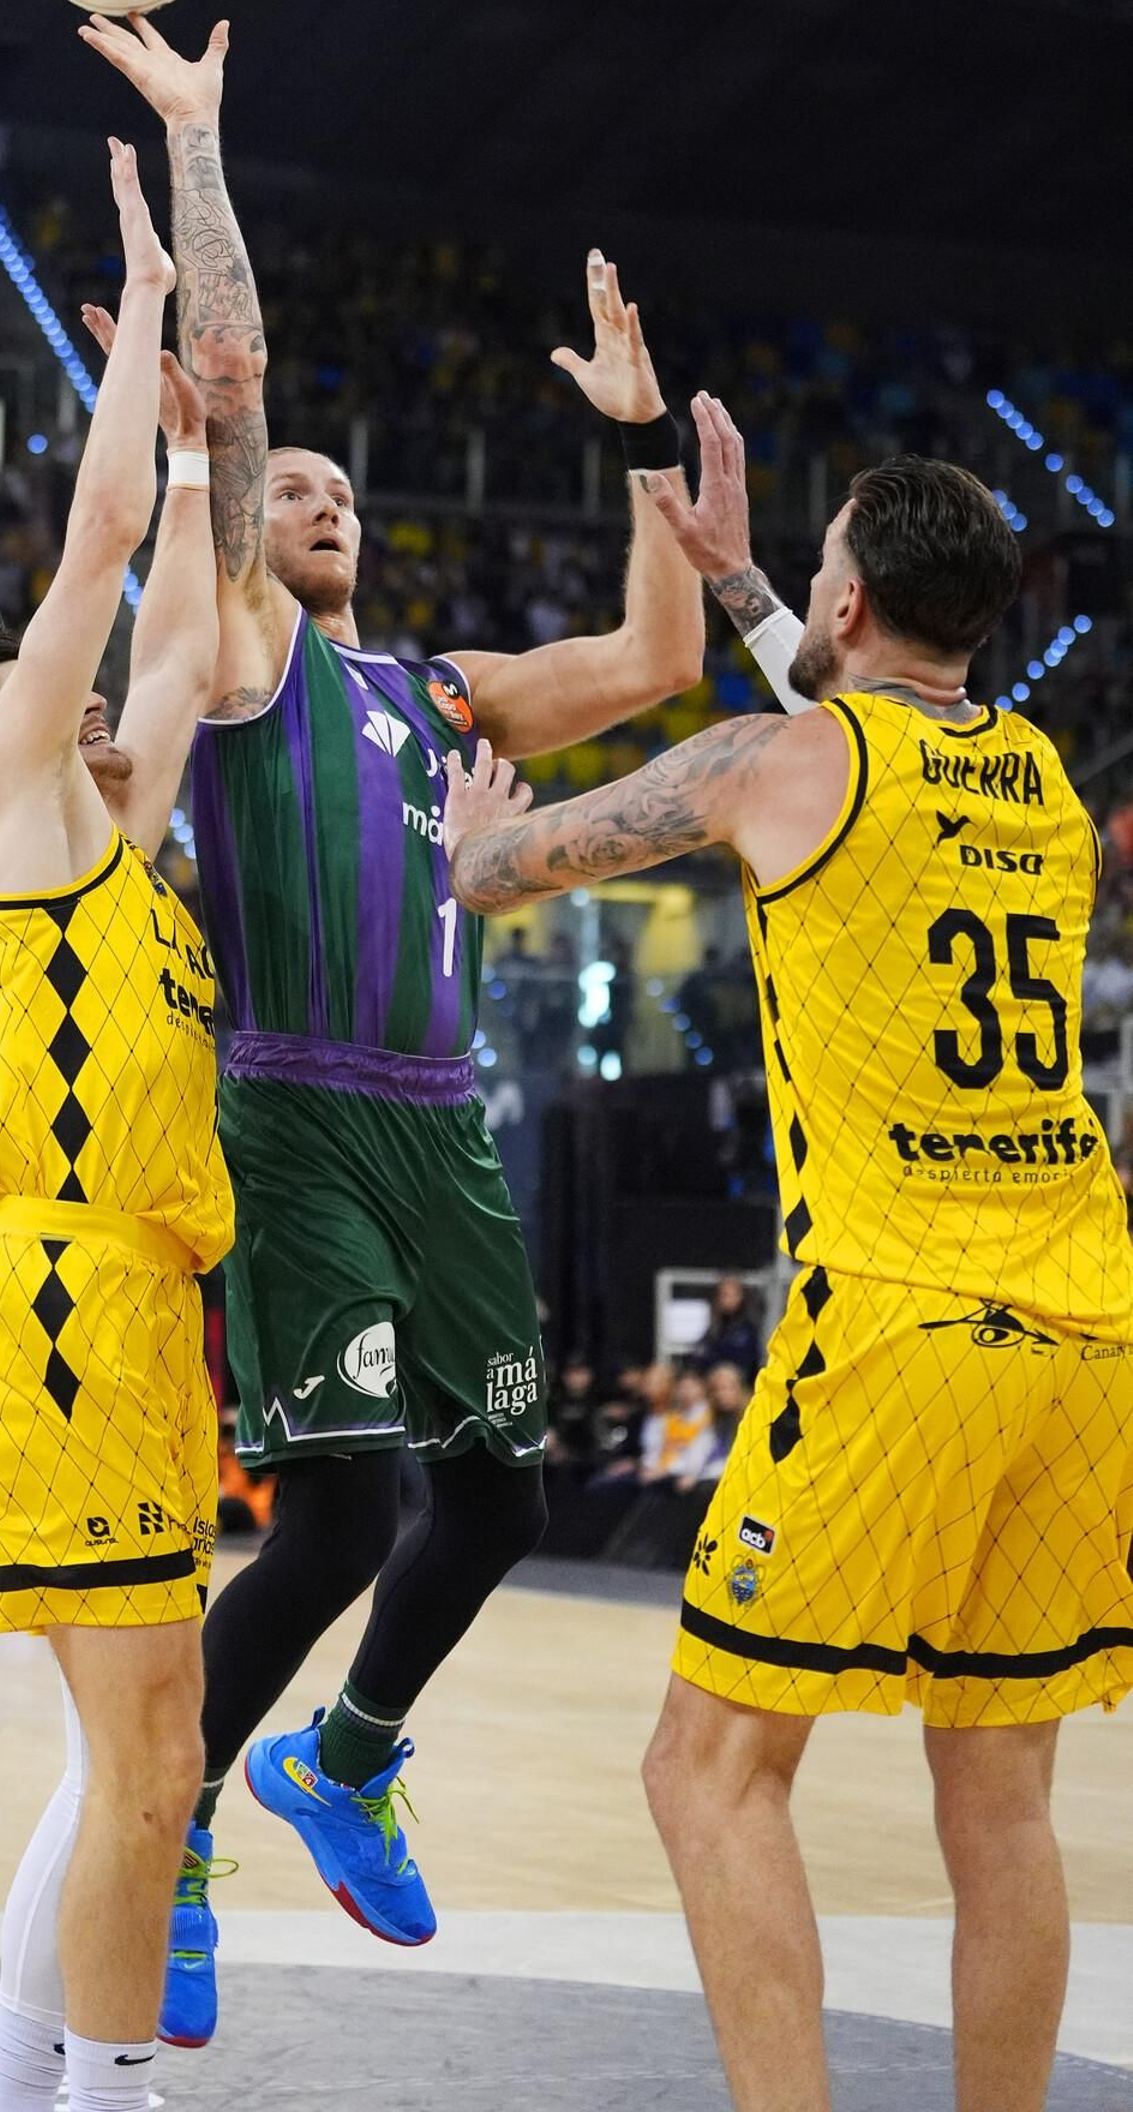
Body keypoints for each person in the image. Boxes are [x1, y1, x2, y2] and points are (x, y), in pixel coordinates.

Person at [81, 7, 706, 2046]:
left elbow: (653, 655)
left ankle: (340, 1760)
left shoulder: (438, 687)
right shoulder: (246, 645)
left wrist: (630, 439)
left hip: (444, 1118)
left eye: (352, 491)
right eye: (301, 486)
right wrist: (201, 142)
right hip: (292, 1110)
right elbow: (240, 407)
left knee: (504, 1493)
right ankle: (172, 1827)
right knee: (338, 1503)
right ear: (259, 531)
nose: (325, 498)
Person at [443, 406, 1133, 2112]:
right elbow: (875, 735)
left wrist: (463, 823)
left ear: (848, 607)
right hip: (1086, 1317)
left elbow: (503, 870)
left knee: (710, 1770)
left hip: (899, 1318)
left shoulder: (766, 762)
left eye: (819, 573)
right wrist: (750, 574)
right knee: (1004, 1801)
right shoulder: (1042, 780)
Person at [0, 139, 232, 2112]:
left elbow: (177, 639)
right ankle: (98, 2100)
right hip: (54, 1303)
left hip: (129, 1306)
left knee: (150, 1763)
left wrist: (199, 454)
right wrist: (135, 288)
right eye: (50, 692)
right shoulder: (15, 813)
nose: (99, 700)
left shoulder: (127, 841)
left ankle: (43, 2094)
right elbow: (98, 567)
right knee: (145, 1772)